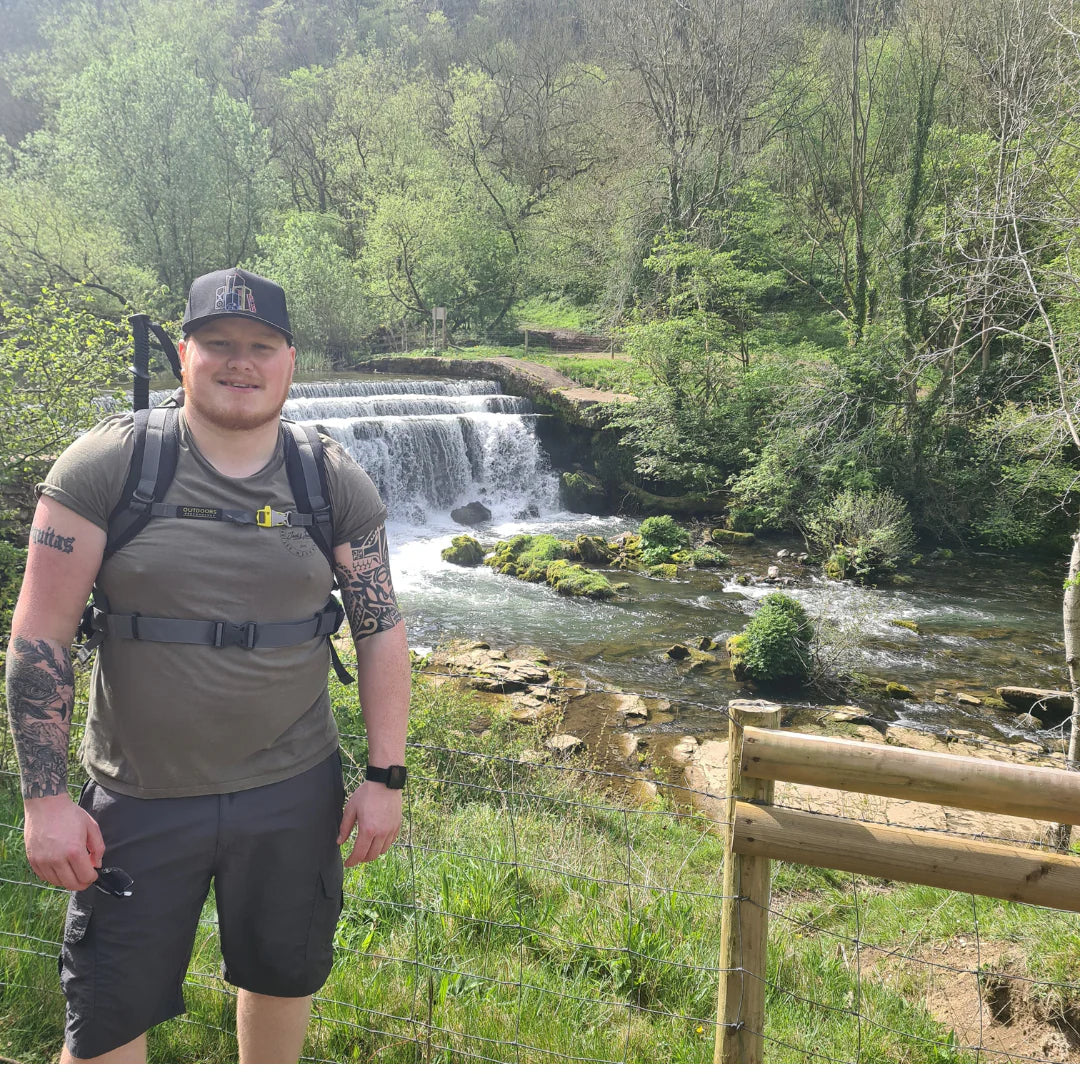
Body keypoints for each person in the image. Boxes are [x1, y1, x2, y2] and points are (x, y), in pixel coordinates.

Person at [4, 268, 410, 1064]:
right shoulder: (108, 465)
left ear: (289, 361)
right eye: (219, 345)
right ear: (183, 355)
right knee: (107, 1014)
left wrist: (384, 777)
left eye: (262, 346)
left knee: (280, 979)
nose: (241, 362)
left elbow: (380, 628)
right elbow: (39, 636)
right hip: (138, 795)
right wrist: (45, 801)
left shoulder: (327, 476)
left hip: (295, 791)